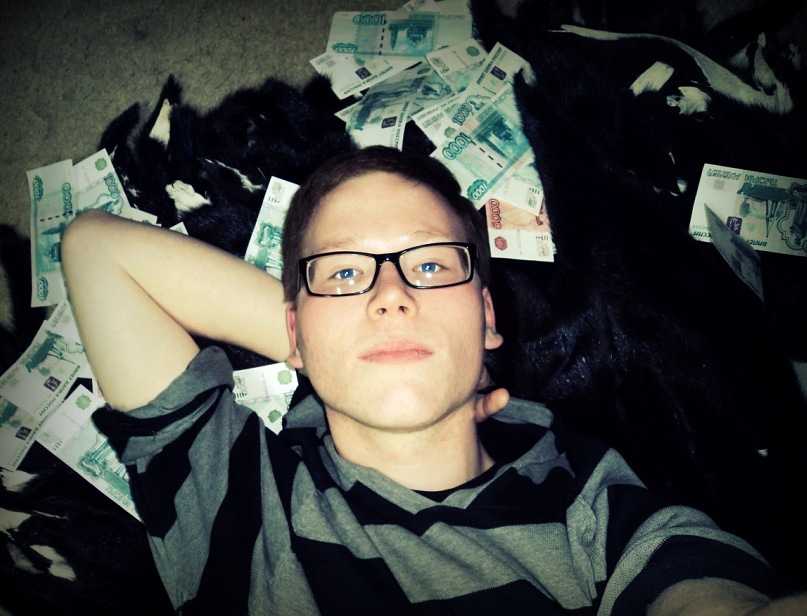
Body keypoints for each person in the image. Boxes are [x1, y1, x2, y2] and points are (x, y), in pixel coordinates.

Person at [62, 146, 806, 614]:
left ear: (488, 316)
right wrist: (326, 347)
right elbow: (97, 250)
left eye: (428, 264)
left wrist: (351, 335)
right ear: (293, 327)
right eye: (344, 273)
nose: (391, 295)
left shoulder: (591, 499)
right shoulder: (236, 494)